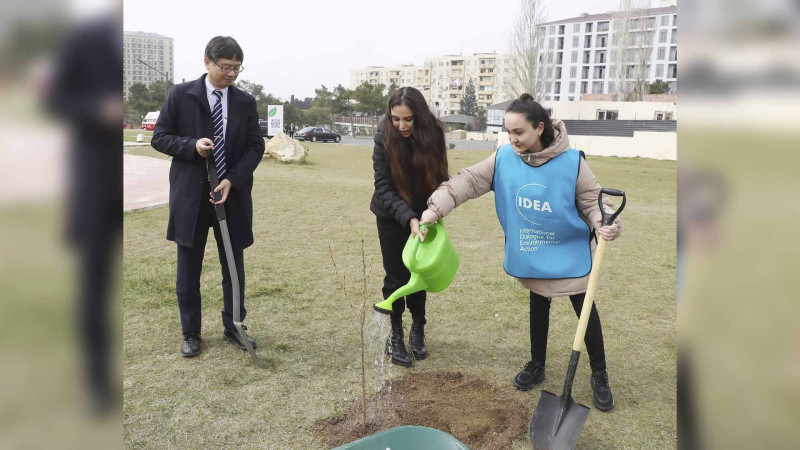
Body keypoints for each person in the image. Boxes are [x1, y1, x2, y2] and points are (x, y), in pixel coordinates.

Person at [419, 93, 622, 411]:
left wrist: (604, 221)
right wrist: (435, 209)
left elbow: (593, 200)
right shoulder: (503, 158)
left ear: (539, 128)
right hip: (533, 249)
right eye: (508, 132)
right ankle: (537, 365)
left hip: (570, 252)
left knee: (585, 312)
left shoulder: (572, 162)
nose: (512, 139)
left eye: (519, 132)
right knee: (537, 307)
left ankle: (600, 375)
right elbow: (468, 181)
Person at [151, 36, 265, 358]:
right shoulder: (181, 95)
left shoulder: (244, 102)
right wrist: (191, 146)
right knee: (189, 268)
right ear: (207, 63)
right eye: (225, 67)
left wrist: (233, 179)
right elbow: (160, 138)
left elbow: (256, 146)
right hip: (191, 197)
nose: (231, 74)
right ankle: (191, 332)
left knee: (233, 265)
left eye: (236, 69)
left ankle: (235, 326)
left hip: (231, 195)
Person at [371, 87, 449, 367]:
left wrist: (432, 212)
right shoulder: (383, 138)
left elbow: (441, 178)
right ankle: (395, 334)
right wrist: (408, 218)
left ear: (420, 116)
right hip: (392, 215)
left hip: (426, 214)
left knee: (420, 272)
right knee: (396, 276)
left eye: (408, 119)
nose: (401, 126)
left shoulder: (435, 134)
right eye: (396, 119)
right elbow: (383, 187)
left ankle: (418, 328)